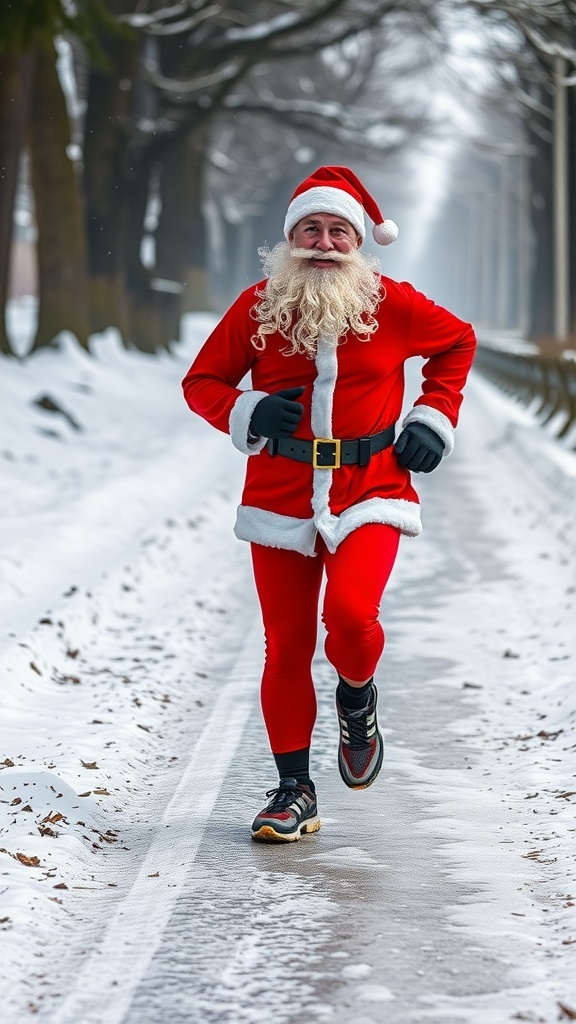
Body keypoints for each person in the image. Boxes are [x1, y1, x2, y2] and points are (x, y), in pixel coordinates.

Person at [182, 166, 476, 843]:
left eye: (337, 230)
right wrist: (247, 408)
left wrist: (432, 416)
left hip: (371, 487)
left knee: (349, 618)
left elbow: (458, 341)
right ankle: (294, 791)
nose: (323, 242)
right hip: (280, 493)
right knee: (285, 646)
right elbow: (202, 381)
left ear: (357, 242)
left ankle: (356, 696)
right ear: (290, 240)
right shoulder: (259, 307)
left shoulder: (392, 304)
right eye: (310, 229)